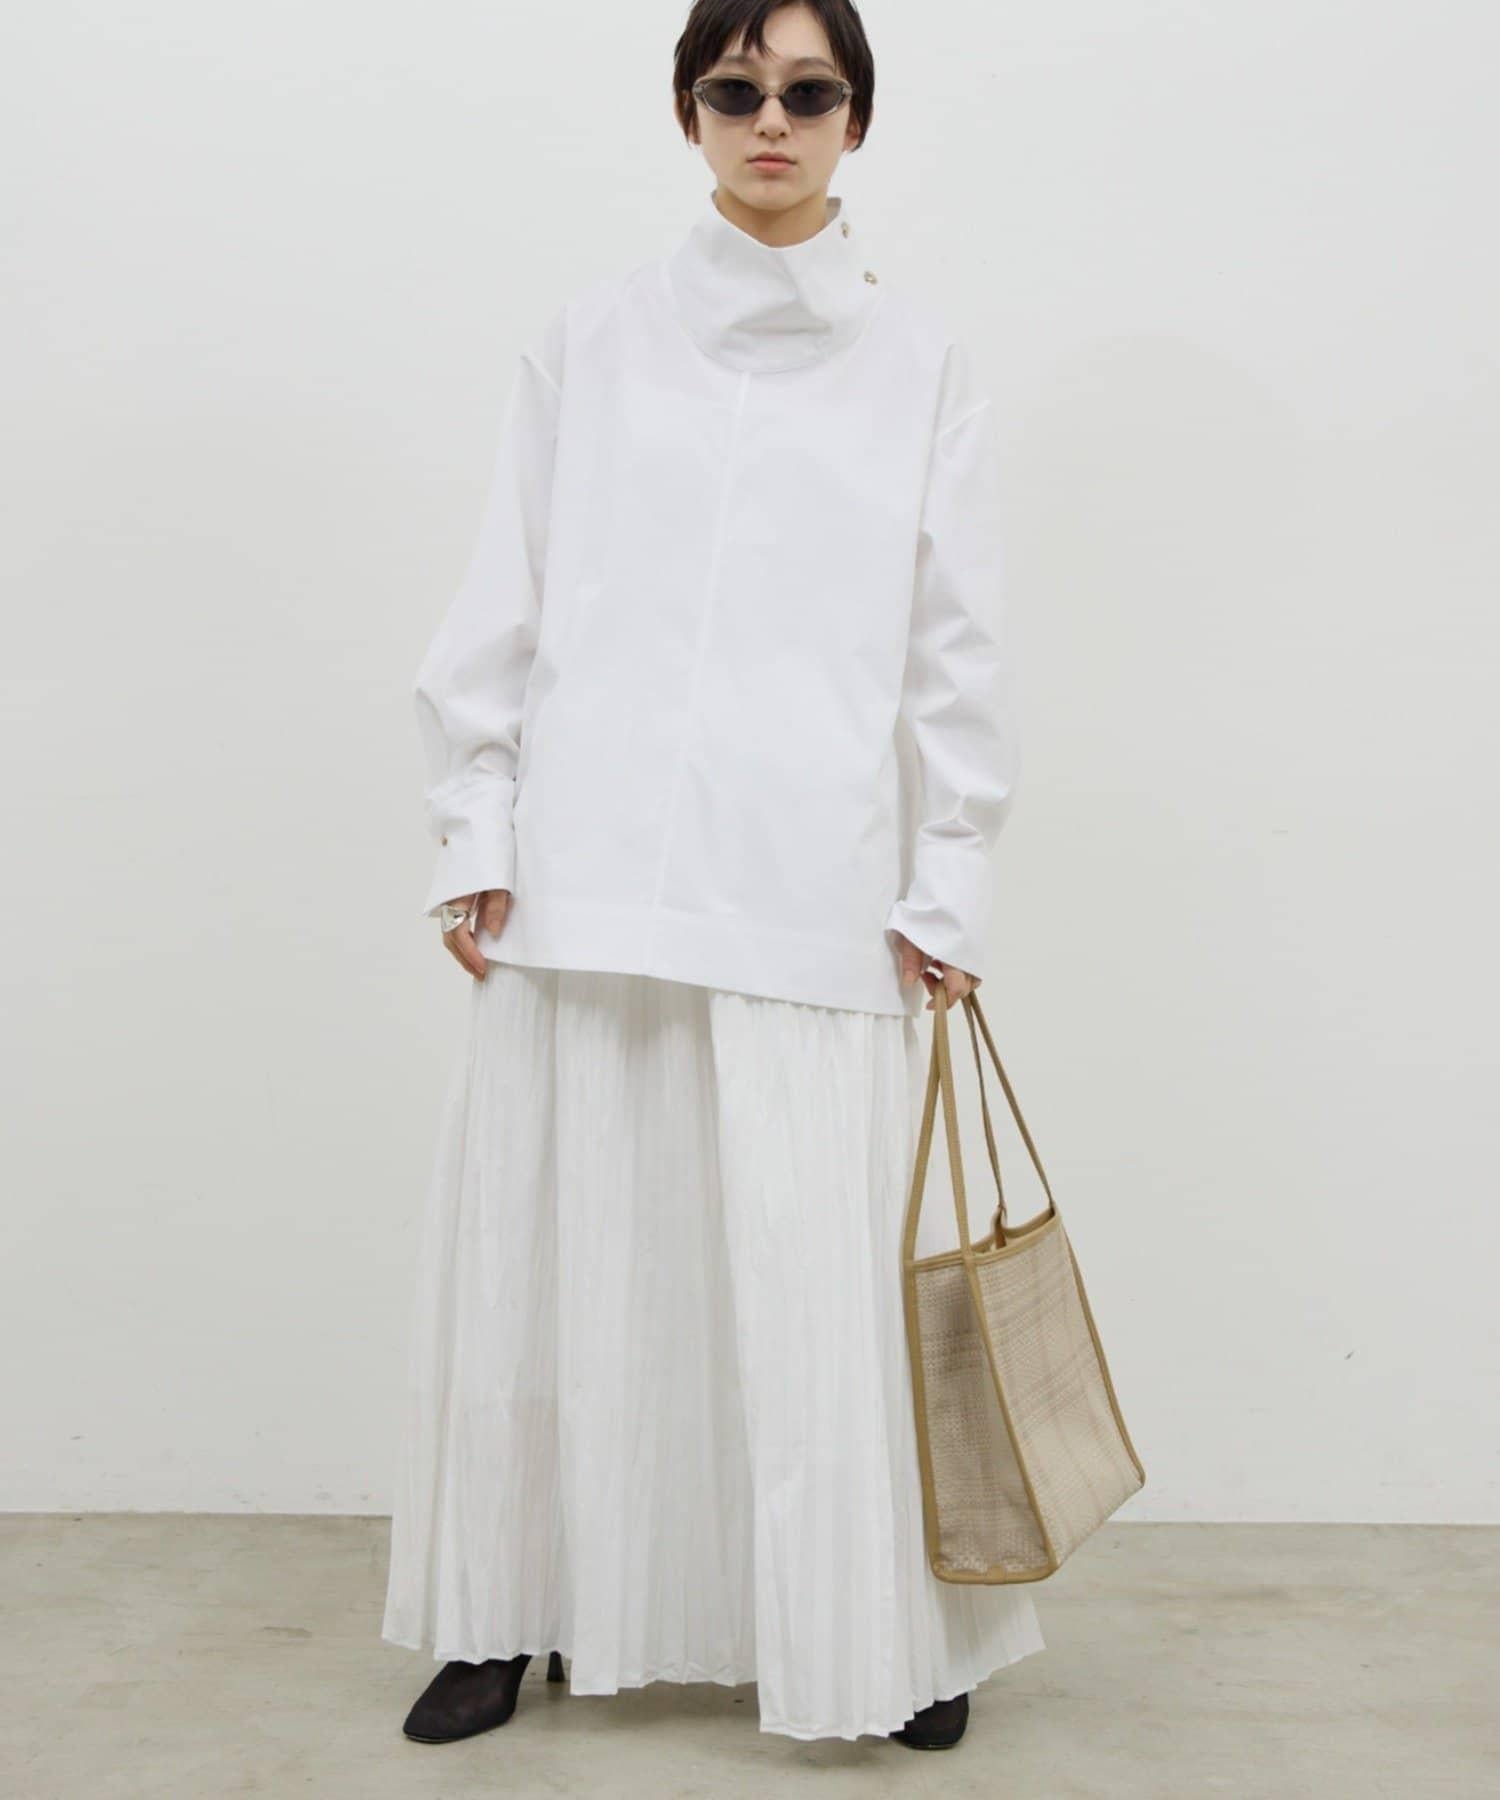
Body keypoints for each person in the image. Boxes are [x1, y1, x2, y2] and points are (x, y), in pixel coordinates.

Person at [380, 0, 1044, 1752]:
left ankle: (881, 1634)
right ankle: (506, 1608)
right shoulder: (591, 341)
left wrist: (947, 882)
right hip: (586, 876)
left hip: (815, 883)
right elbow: (503, 596)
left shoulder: (921, 365)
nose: (773, 121)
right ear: (688, 110)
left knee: (820, 1291)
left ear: (855, 120)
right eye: (737, 88)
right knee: (555, 1272)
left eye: (809, 92)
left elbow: (959, 649)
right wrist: (477, 831)